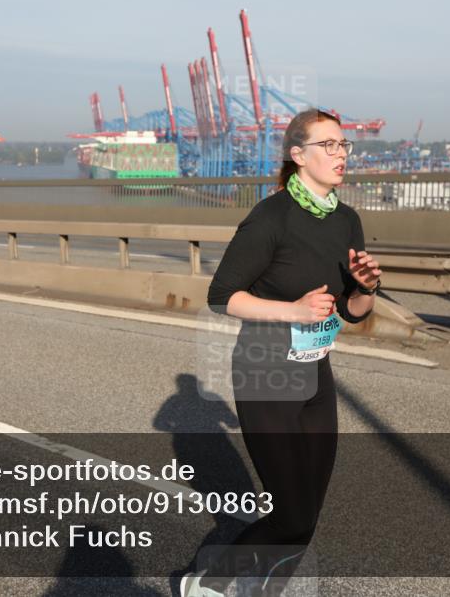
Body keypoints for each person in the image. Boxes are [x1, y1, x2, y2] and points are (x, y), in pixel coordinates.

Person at [182, 109, 382, 596]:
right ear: (298, 155)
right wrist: (292, 310)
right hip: (264, 373)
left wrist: (368, 288)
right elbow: (221, 295)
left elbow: (353, 310)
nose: (340, 155)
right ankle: (207, 582)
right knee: (290, 513)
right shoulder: (271, 217)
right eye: (328, 145)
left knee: (308, 510)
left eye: (343, 146)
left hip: (315, 374)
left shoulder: (346, 219)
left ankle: (264, 590)